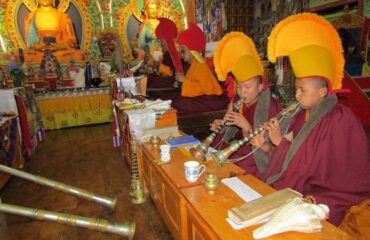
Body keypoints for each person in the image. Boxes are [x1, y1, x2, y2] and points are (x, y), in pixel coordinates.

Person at [257, 13, 370, 226]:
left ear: (322, 91)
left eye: (302, 90)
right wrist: (269, 147)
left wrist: (280, 142)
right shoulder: (302, 114)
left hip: (333, 193)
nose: (297, 95)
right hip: (304, 184)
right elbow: (297, 160)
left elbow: (323, 171)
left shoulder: (340, 120)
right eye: (296, 89)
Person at [210, 32, 281, 175]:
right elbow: (228, 126)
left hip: (255, 149)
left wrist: (246, 126)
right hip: (237, 144)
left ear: (260, 87)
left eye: (247, 87)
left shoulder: (270, 105)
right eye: (239, 86)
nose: (242, 92)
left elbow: (268, 145)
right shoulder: (236, 100)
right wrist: (221, 126)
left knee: (240, 163)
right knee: (216, 143)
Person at [162, 22, 228, 116]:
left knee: (180, 102)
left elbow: (204, 88)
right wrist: (181, 82)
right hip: (200, 97)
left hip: (209, 99)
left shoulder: (200, 65)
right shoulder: (192, 64)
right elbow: (193, 86)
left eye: (183, 50)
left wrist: (184, 80)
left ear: (191, 50)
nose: (180, 53)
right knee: (172, 98)